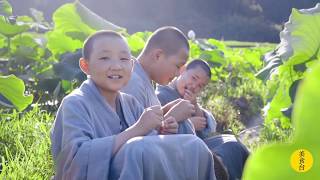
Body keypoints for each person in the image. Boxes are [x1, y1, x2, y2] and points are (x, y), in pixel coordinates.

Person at [50, 30, 216, 180]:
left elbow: (150, 141)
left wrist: (162, 128)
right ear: (85, 66)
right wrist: (137, 130)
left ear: (131, 65)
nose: (116, 66)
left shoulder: (129, 103)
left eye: (123, 59)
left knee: (195, 146)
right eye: (104, 58)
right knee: (135, 149)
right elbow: (75, 163)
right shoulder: (74, 103)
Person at [156, 59, 250, 180]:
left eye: (201, 85)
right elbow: (158, 131)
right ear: (183, 70)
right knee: (228, 153)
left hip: (198, 145)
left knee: (234, 144)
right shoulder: (161, 95)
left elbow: (207, 128)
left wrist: (195, 105)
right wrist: (189, 125)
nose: (194, 86)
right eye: (194, 78)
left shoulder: (190, 98)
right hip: (179, 153)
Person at [121, 26, 196, 134]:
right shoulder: (133, 81)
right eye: (177, 66)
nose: (177, 74)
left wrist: (164, 110)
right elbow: (133, 139)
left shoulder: (145, 79)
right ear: (158, 56)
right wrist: (173, 115)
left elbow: (144, 117)